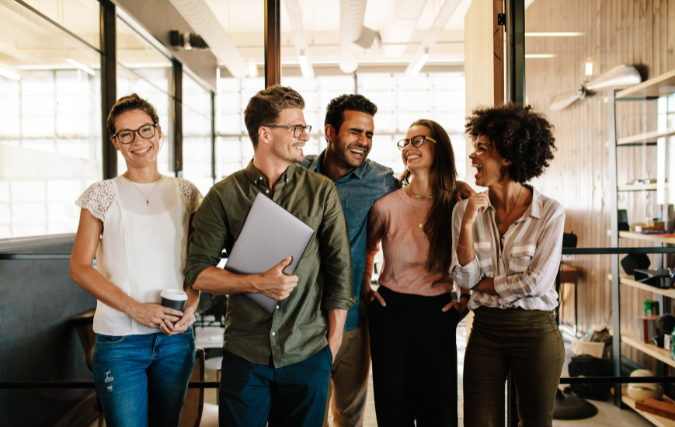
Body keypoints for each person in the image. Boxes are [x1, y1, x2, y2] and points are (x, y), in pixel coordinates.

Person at [182, 85, 354, 427]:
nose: (305, 136)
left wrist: (330, 348)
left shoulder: (321, 191)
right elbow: (197, 272)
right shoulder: (224, 195)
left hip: (307, 352)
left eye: (304, 127)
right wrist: (256, 283)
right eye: (296, 128)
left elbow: (340, 274)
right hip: (245, 354)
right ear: (265, 134)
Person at [70, 94, 201, 427]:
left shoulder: (187, 192)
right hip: (120, 342)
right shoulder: (100, 194)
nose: (138, 141)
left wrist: (192, 305)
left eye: (145, 130)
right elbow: (80, 267)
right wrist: (135, 309)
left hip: (175, 339)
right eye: (126, 134)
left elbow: (200, 262)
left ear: (158, 132)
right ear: (115, 142)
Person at [451, 103, 564, 427]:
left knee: (534, 422)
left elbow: (537, 284)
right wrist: (469, 221)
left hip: (536, 331)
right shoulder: (464, 212)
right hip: (485, 330)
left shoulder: (550, 212)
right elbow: (464, 275)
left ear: (509, 157)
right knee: (478, 421)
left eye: (483, 149)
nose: (473, 156)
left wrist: (481, 285)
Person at [362, 119, 472, 427]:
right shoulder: (386, 206)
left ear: (440, 148)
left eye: (418, 141)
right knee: (392, 408)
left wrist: (466, 297)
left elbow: (473, 256)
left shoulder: (458, 203)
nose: (409, 148)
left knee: (438, 412)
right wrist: (365, 290)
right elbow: (368, 250)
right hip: (389, 310)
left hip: (437, 311)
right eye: (406, 143)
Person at [300, 94, 399, 427]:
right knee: (308, 415)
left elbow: (423, 195)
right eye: (356, 132)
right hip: (300, 322)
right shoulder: (296, 174)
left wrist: (457, 188)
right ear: (330, 132)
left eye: (369, 134)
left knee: (349, 415)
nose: (364, 142)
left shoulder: (381, 181)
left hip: (354, 318)